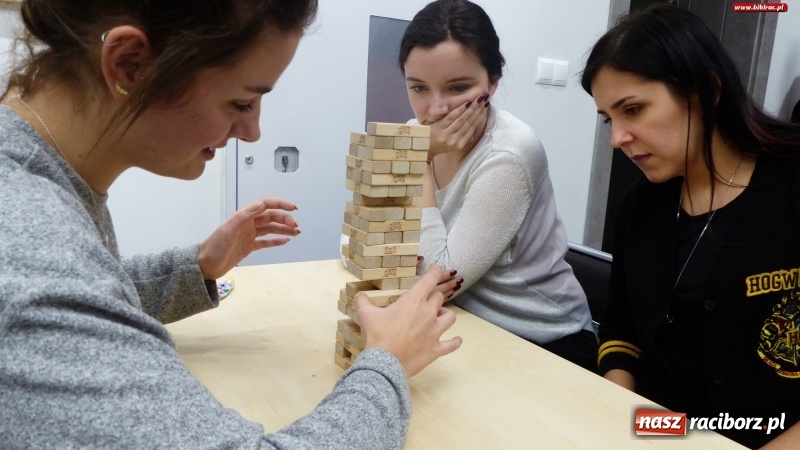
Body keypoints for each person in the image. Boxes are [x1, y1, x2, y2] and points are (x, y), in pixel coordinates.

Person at [0, 1, 463, 448]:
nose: (253, 132)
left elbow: (90, 297)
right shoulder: (27, 245)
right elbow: (52, 293)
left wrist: (198, 264)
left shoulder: (40, 179)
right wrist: (387, 363)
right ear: (129, 65)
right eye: (241, 103)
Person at [581, 5, 800, 448]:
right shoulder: (641, 204)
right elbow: (620, 326)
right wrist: (616, 414)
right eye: (609, 118)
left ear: (706, 91)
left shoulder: (790, 186)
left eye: (634, 110)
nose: (617, 138)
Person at [399, 0, 597, 373]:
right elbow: (375, 243)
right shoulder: (416, 135)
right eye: (419, 87)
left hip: (545, 340)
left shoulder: (511, 152)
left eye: (458, 87)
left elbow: (434, 280)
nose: (436, 109)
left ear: (492, 82)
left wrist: (417, 160)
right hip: (465, 325)